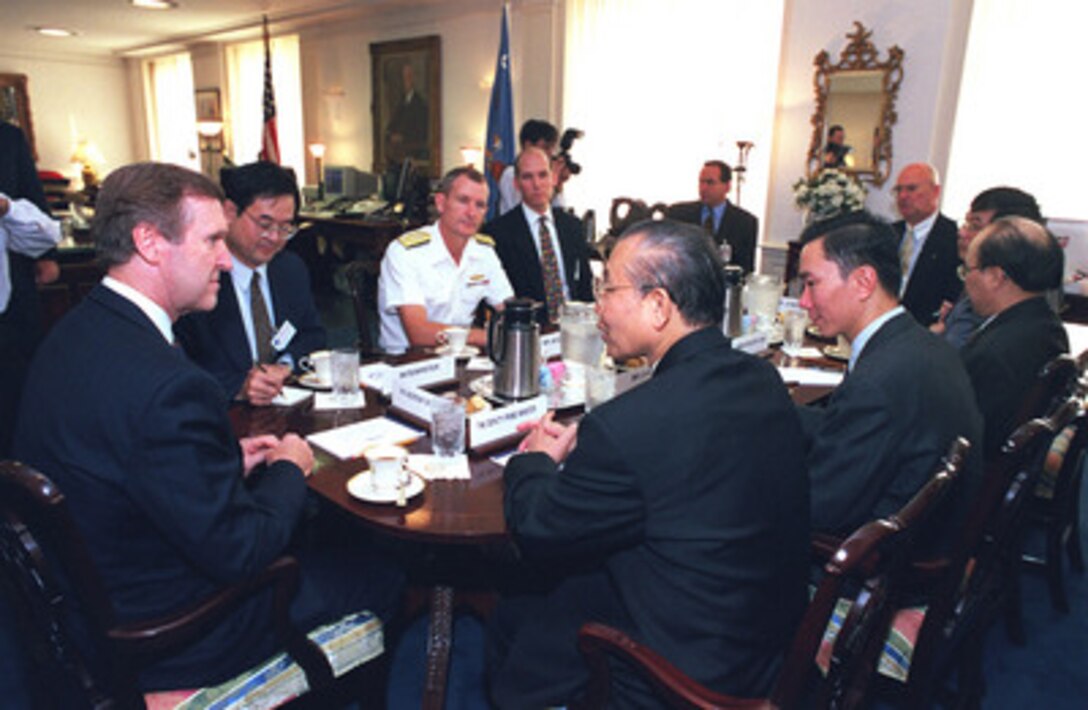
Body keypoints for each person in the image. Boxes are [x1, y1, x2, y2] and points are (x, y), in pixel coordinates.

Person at [14, 162, 402, 691]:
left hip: (90, 598)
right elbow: (244, 549)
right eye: (212, 240)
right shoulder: (170, 384)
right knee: (385, 570)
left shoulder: (74, 331)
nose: (226, 257)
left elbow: (130, 457)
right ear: (150, 243)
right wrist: (289, 466)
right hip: (169, 635)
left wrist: (220, 460)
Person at [489, 220, 809, 707]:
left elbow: (538, 531)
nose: (598, 306)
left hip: (686, 677)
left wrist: (531, 462)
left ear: (658, 305)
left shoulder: (625, 426)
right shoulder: (762, 380)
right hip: (767, 642)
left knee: (522, 611)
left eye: (607, 288)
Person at [796, 211, 982, 543]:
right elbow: (846, 425)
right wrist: (772, 411)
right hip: (927, 532)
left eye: (811, 283)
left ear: (864, 282)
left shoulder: (878, 381)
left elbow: (820, 508)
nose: (803, 300)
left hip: (870, 564)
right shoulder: (922, 345)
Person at [175, 162, 325, 405]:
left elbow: (312, 335)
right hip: (222, 415)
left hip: (286, 405)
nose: (275, 237)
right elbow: (181, 366)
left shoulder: (290, 269)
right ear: (229, 212)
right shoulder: (198, 277)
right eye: (264, 225)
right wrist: (239, 387)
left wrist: (285, 365)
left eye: (286, 227)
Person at [960, 216, 1068, 456]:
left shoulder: (995, 353)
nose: (966, 280)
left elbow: (965, 439)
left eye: (968, 269)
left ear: (996, 277)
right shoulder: (1048, 326)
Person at [378, 166, 513, 353]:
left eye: (480, 205)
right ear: (441, 203)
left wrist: (517, 326)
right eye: (463, 201)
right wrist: (489, 336)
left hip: (463, 357)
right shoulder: (406, 253)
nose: (471, 212)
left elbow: (510, 310)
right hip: (409, 362)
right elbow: (419, 333)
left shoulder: (484, 252)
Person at [0, 120, 61, 458]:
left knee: (17, 403)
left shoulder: (7, 138)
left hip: (11, 303)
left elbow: (33, 197)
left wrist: (47, 256)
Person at [482, 147, 593, 324]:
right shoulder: (497, 233)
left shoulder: (572, 225)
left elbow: (585, 286)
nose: (537, 184)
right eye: (528, 177)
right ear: (516, 184)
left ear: (553, 178)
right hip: (528, 332)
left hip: (575, 328)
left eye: (543, 175)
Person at [932, 187, 1045, 348]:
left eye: (974, 226)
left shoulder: (997, 291)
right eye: (966, 223)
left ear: (1007, 235)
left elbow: (951, 354)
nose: (962, 233)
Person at [892, 162, 960, 326]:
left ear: (936, 191)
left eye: (911, 189)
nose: (902, 196)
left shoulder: (954, 239)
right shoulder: (888, 234)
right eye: (898, 190)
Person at [666, 160, 759, 273]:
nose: (703, 188)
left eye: (710, 182)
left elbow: (746, 268)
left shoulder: (745, 222)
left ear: (727, 186)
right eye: (701, 182)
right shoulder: (679, 214)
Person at [497, 119, 558, 216]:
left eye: (552, 148)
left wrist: (559, 184)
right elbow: (525, 207)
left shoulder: (550, 171)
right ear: (528, 145)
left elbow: (556, 211)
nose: (551, 153)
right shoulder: (510, 173)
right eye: (546, 147)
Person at [384, 62, 429, 163]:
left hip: (413, 153)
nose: (406, 81)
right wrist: (390, 135)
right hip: (398, 154)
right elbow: (391, 125)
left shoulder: (420, 104)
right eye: (404, 77)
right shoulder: (400, 102)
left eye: (409, 76)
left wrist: (402, 137)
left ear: (413, 79)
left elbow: (421, 131)